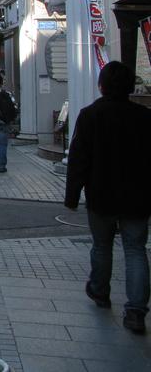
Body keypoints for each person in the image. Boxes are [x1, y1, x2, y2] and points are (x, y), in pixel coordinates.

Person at [65, 61, 151, 334]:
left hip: (101, 194)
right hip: (137, 197)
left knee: (101, 246)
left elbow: (78, 158)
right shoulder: (145, 116)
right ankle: (136, 311)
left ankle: (100, 291)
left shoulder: (90, 115)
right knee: (136, 250)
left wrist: (72, 195)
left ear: (101, 85)